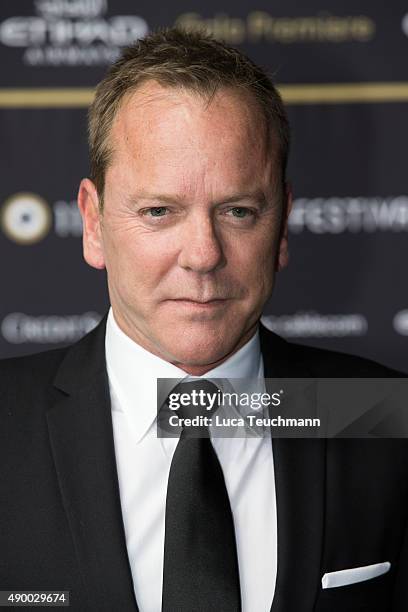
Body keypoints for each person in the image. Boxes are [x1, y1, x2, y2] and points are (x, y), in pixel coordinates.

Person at [0, 27, 407, 612]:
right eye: (160, 211)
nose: (204, 253)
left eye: (238, 211)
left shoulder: (384, 418)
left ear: (283, 224)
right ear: (93, 223)